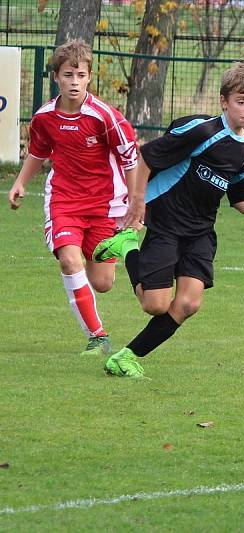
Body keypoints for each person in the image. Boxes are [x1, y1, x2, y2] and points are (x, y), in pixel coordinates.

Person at [93, 60, 244, 379]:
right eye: (241, 102)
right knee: (155, 305)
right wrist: (137, 203)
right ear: (224, 101)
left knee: (189, 303)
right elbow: (146, 156)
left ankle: (126, 357)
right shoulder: (202, 131)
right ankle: (126, 246)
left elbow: (238, 196)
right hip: (166, 221)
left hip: (201, 231)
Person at [7, 39, 138, 357]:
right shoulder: (44, 118)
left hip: (105, 203)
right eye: (68, 75)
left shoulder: (105, 116)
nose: (74, 81)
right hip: (63, 201)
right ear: (56, 77)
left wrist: (135, 201)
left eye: (80, 75)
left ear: (89, 77)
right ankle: (97, 336)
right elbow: (38, 151)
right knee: (69, 260)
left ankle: (115, 245)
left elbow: (130, 157)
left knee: (104, 282)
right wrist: (20, 182)